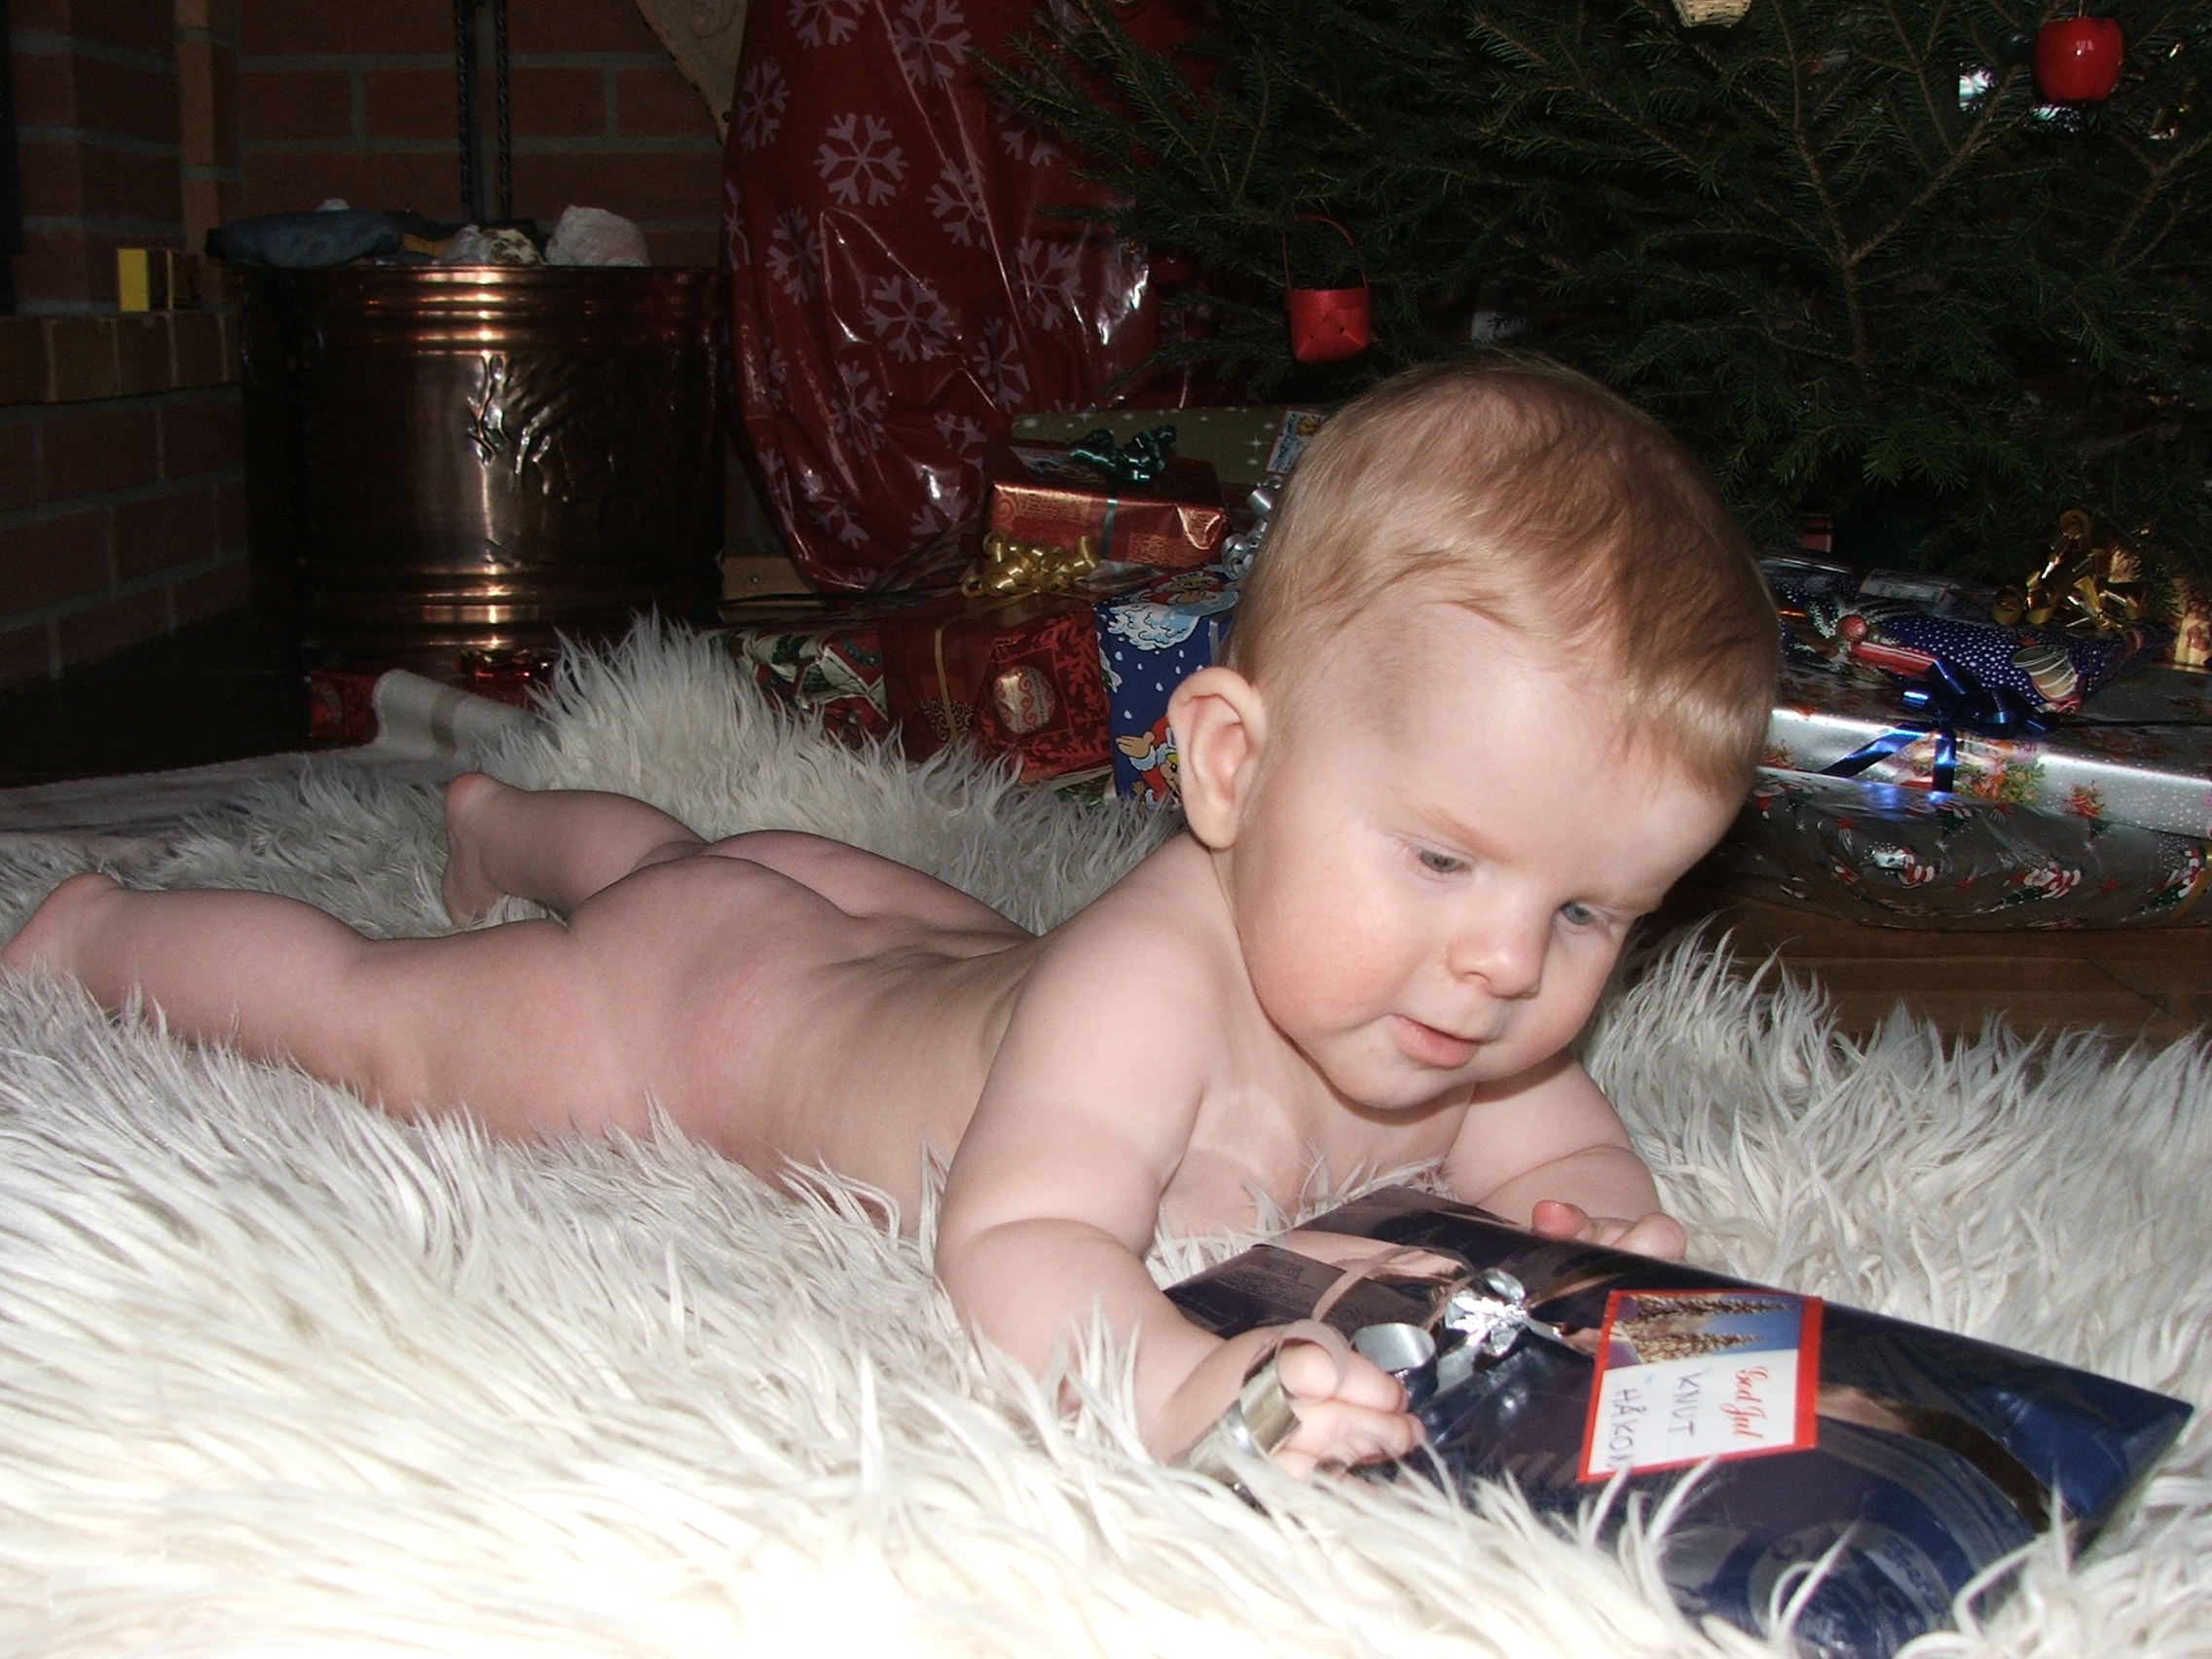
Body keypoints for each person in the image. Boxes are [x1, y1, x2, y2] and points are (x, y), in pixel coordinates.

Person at [3, 357, 1778, 1475]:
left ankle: (499, 818)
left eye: (1591, 912)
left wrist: (1611, 1231)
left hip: (893, 929)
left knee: (683, 858)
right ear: (1230, 768)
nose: (1505, 965)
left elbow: (1569, 1163)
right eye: (1446, 862)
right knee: (394, 1019)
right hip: (708, 1017)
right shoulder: (1147, 992)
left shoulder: (1465, 1021)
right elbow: (1017, 1246)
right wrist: (1176, 1383)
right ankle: (100, 932)